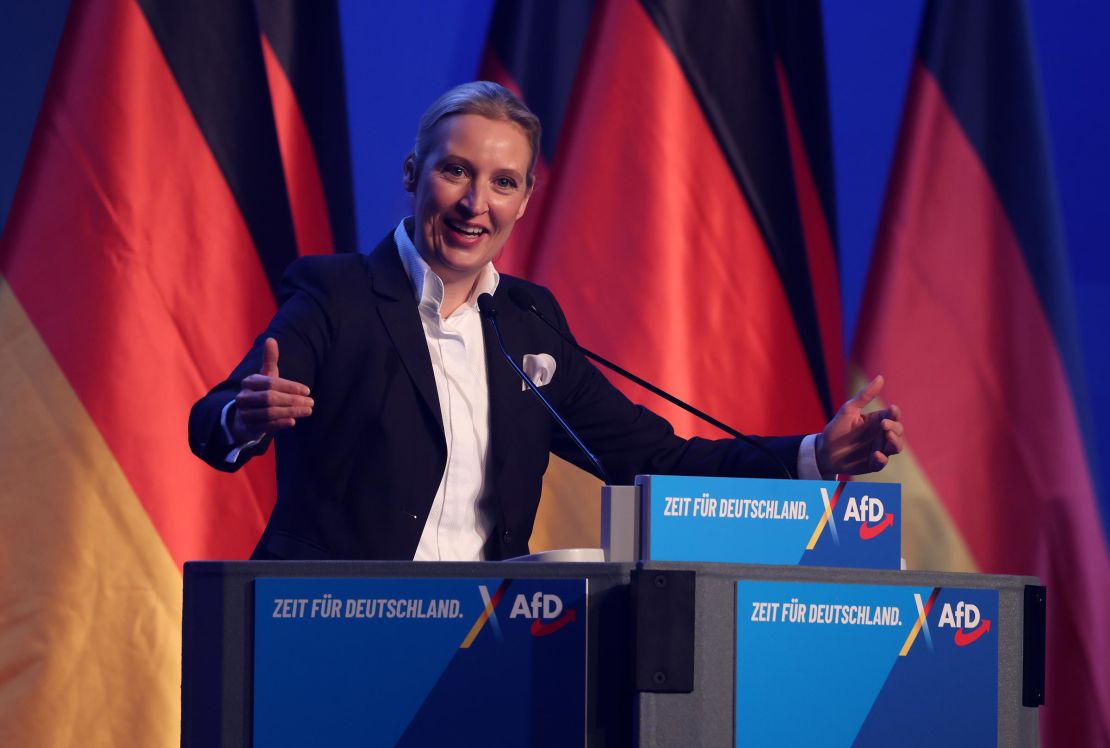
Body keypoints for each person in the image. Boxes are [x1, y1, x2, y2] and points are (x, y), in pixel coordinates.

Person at [189, 81, 904, 561]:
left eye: (503, 182)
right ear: (412, 174)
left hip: (478, 659)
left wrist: (812, 455)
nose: (477, 204)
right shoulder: (337, 295)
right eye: (455, 172)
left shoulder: (530, 324)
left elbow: (655, 460)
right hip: (330, 644)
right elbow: (213, 416)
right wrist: (241, 422)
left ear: (525, 200)